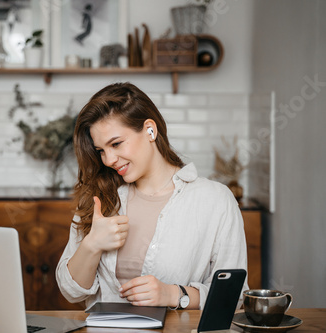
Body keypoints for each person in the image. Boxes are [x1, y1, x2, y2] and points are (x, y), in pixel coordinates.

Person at [56, 82, 248, 310]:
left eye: (116, 144)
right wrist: (92, 245)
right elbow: (71, 292)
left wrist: (174, 294)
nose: (108, 160)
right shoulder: (99, 198)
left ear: (150, 130)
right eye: (101, 151)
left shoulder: (215, 200)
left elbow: (234, 297)